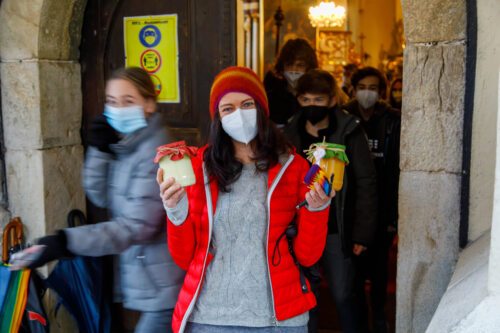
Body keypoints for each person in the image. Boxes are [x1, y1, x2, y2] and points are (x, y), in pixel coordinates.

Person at [157, 66, 334, 333]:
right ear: (217, 117)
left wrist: (318, 208)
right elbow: (184, 258)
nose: (238, 114)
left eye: (247, 104)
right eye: (227, 108)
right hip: (211, 318)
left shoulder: (294, 167)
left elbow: (308, 256)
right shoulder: (197, 169)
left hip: (278, 319)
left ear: (261, 109)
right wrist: (175, 212)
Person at [10, 67, 185, 333]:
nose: (118, 109)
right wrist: (99, 150)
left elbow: (134, 227)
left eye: (128, 101)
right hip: (146, 276)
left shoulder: (156, 152)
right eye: (112, 102)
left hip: (165, 285)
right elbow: (99, 195)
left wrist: (66, 241)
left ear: (149, 104)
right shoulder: (127, 144)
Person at [283, 69, 378, 333]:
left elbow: (366, 182)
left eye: (318, 100)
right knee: (304, 297)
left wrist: (362, 233)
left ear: (331, 101)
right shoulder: (290, 133)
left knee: (344, 294)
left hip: (338, 229)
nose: (311, 106)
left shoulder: (349, 131)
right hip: (300, 229)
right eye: (305, 100)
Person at [344, 67, 401, 333]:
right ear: (353, 90)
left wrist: (393, 216)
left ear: (381, 91)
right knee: (353, 276)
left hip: (381, 209)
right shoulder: (344, 117)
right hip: (352, 210)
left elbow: (395, 171)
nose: (369, 92)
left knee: (379, 273)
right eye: (363, 87)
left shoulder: (392, 121)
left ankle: (379, 320)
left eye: (374, 87)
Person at [264, 38, 318, 127]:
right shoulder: (271, 97)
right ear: (282, 67)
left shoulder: (316, 94)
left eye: (300, 65)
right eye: (289, 65)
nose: (294, 70)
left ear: (309, 68)